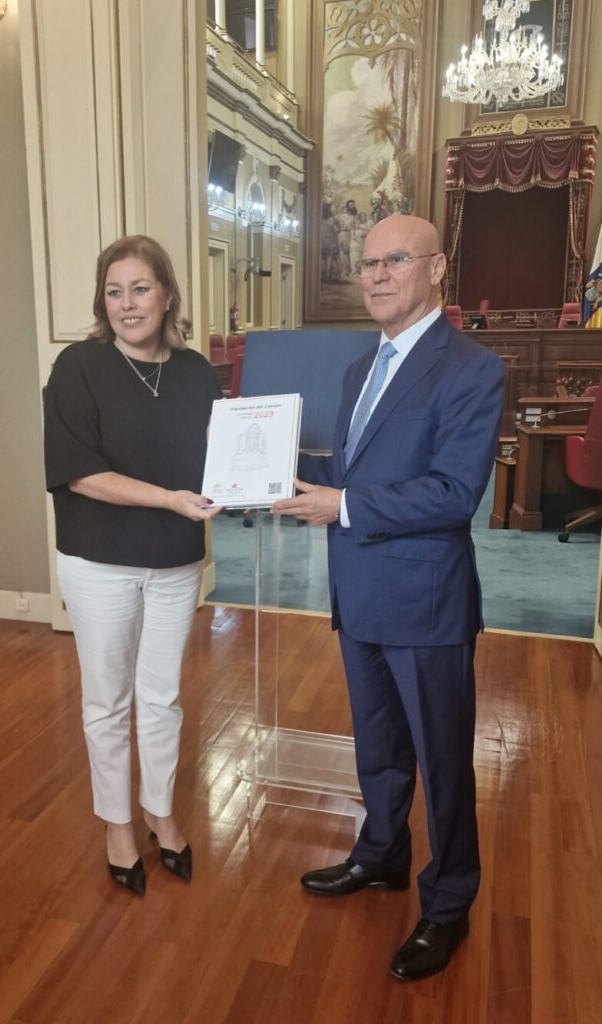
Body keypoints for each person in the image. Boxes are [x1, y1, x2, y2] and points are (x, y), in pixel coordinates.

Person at [273, 215, 504, 981]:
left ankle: (447, 905)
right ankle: (381, 856)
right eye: (368, 262)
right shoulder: (356, 369)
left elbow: (452, 492)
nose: (375, 274)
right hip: (360, 592)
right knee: (377, 748)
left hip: (427, 603)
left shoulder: (471, 368)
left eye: (394, 260)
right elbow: (359, 473)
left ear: (436, 269)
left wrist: (338, 506)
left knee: (442, 763)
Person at [43, 235, 223, 895]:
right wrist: (172, 499)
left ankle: (160, 812)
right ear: (102, 301)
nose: (127, 304)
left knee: (163, 696)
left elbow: (217, 456)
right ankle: (118, 824)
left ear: (167, 294)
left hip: (176, 563)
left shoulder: (196, 371)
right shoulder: (78, 368)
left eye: (139, 288)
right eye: (114, 291)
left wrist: (238, 484)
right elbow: (79, 473)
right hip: (100, 563)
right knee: (107, 700)